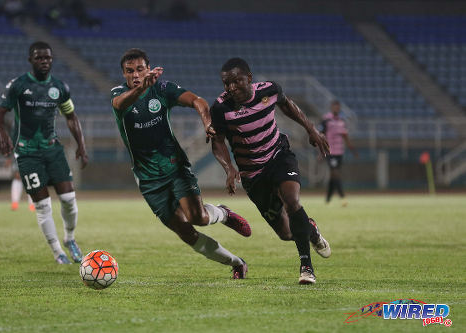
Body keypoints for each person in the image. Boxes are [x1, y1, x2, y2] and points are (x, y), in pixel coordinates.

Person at [111, 48, 251, 279]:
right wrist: (142, 87)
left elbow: (198, 100)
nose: (135, 75)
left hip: (175, 167)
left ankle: (223, 214)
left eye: (139, 69)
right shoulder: (119, 94)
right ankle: (236, 262)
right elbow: (120, 104)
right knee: (185, 232)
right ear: (124, 74)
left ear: (148, 69)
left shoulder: (162, 89)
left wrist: (207, 123)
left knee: (199, 218)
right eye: (129, 71)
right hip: (148, 179)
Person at [210, 58, 332, 284]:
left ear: (249, 78)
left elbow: (287, 105)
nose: (231, 88)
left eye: (236, 81)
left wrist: (311, 129)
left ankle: (306, 268)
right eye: (227, 83)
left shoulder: (269, 90)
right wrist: (229, 168)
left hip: (278, 156)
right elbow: (217, 141)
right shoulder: (220, 108)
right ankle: (311, 230)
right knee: (287, 233)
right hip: (252, 174)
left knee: (292, 201)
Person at [0, 41, 88, 265]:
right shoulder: (17, 85)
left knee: (69, 199)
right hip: (26, 153)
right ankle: (58, 252)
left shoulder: (60, 87)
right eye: (39, 58)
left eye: (48, 58)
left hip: (52, 149)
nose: (44, 61)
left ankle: (70, 239)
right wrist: (3, 135)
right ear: (31, 60)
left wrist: (81, 145)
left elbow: (71, 117)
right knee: (43, 205)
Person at [319, 100, 358, 206]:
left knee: (333, 176)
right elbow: (320, 136)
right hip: (330, 151)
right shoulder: (326, 120)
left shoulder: (342, 120)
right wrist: (320, 152)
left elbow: (345, 136)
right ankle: (342, 197)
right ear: (331, 107)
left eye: (338, 107)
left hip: (340, 152)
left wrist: (352, 149)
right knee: (335, 173)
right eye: (335, 107)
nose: (336, 108)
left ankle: (328, 198)